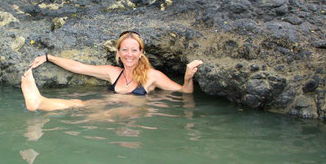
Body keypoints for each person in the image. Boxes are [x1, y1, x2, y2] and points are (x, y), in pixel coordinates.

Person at [21, 31, 203, 111]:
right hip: (110, 105)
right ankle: (38, 102)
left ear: (141, 53)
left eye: (134, 50)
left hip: (131, 112)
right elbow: (79, 67)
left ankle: (40, 103)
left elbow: (184, 93)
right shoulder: (113, 73)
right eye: (125, 50)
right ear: (118, 52)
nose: (129, 54)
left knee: (99, 113)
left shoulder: (152, 76)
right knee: (78, 102)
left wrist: (187, 78)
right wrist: (48, 57)